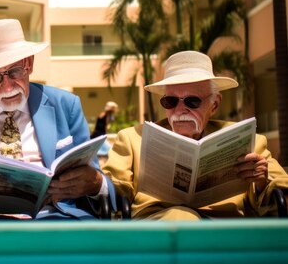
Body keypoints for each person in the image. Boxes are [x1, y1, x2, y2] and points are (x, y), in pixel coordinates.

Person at [0, 19, 115, 220]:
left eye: (15, 72)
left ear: (29, 64)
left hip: (54, 218)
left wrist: (96, 183)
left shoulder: (66, 105)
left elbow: (96, 180)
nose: (8, 87)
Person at [103, 50, 288, 220]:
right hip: (157, 227)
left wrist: (262, 182)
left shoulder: (245, 139)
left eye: (192, 101)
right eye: (171, 101)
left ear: (214, 105)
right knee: (181, 216)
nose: (180, 109)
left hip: (223, 230)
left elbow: (283, 193)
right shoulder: (133, 138)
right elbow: (110, 189)